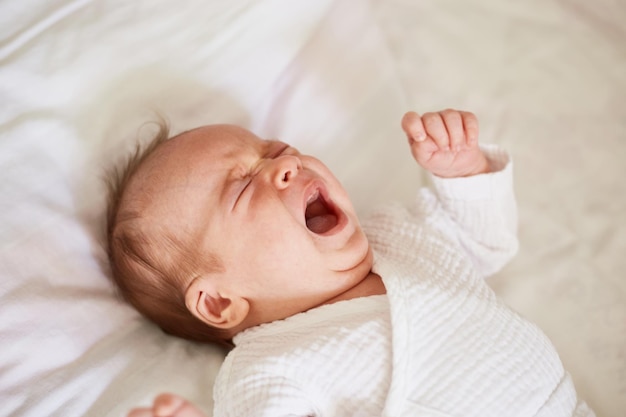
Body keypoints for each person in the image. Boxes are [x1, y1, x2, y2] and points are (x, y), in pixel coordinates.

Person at [107, 109, 594, 417]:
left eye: (276, 151)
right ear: (218, 301)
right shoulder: (268, 365)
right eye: (241, 187)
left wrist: (464, 171)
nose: (284, 166)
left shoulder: (397, 233)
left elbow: (486, 245)